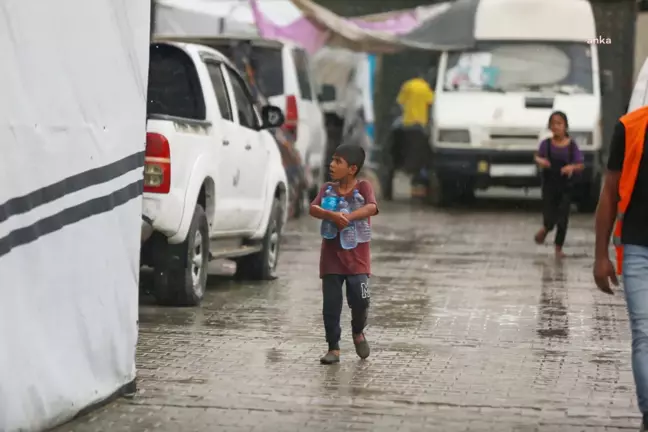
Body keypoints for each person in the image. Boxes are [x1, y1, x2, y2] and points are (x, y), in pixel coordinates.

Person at [594, 106, 648, 431]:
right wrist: (600, 256)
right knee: (644, 333)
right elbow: (610, 193)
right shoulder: (629, 128)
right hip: (639, 249)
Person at [309, 144, 379, 364]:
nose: (331, 165)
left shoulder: (363, 187)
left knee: (361, 300)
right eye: (332, 160)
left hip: (357, 260)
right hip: (331, 260)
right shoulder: (327, 189)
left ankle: (358, 331)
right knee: (331, 305)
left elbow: (372, 207)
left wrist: (348, 217)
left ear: (352, 168)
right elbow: (313, 208)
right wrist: (331, 215)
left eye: (338, 161)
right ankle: (333, 348)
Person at [533, 111, 584, 257]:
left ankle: (558, 247)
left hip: (565, 187)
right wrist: (540, 161)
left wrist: (571, 167)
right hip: (549, 185)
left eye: (559, 123)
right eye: (553, 124)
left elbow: (580, 164)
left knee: (562, 217)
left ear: (565, 126)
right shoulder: (546, 144)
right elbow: (536, 157)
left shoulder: (571, 146)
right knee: (549, 214)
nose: (556, 127)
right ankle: (546, 228)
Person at [395, 71, 435, 197]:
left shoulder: (408, 85)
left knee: (407, 153)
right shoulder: (426, 88)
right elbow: (431, 102)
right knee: (421, 156)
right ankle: (419, 184)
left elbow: (400, 102)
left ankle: (409, 174)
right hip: (421, 126)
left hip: (407, 124)